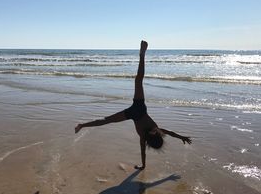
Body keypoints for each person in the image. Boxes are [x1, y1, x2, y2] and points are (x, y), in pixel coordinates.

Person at [75, 41, 192, 170]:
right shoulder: (151, 133)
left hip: (135, 110)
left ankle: (82, 125)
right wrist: (181, 137)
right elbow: (166, 136)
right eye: (157, 134)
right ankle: (142, 54)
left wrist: (143, 165)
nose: (156, 133)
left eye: (156, 135)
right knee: (136, 83)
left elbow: (152, 145)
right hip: (136, 110)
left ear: (153, 138)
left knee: (107, 118)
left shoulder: (150, 134)